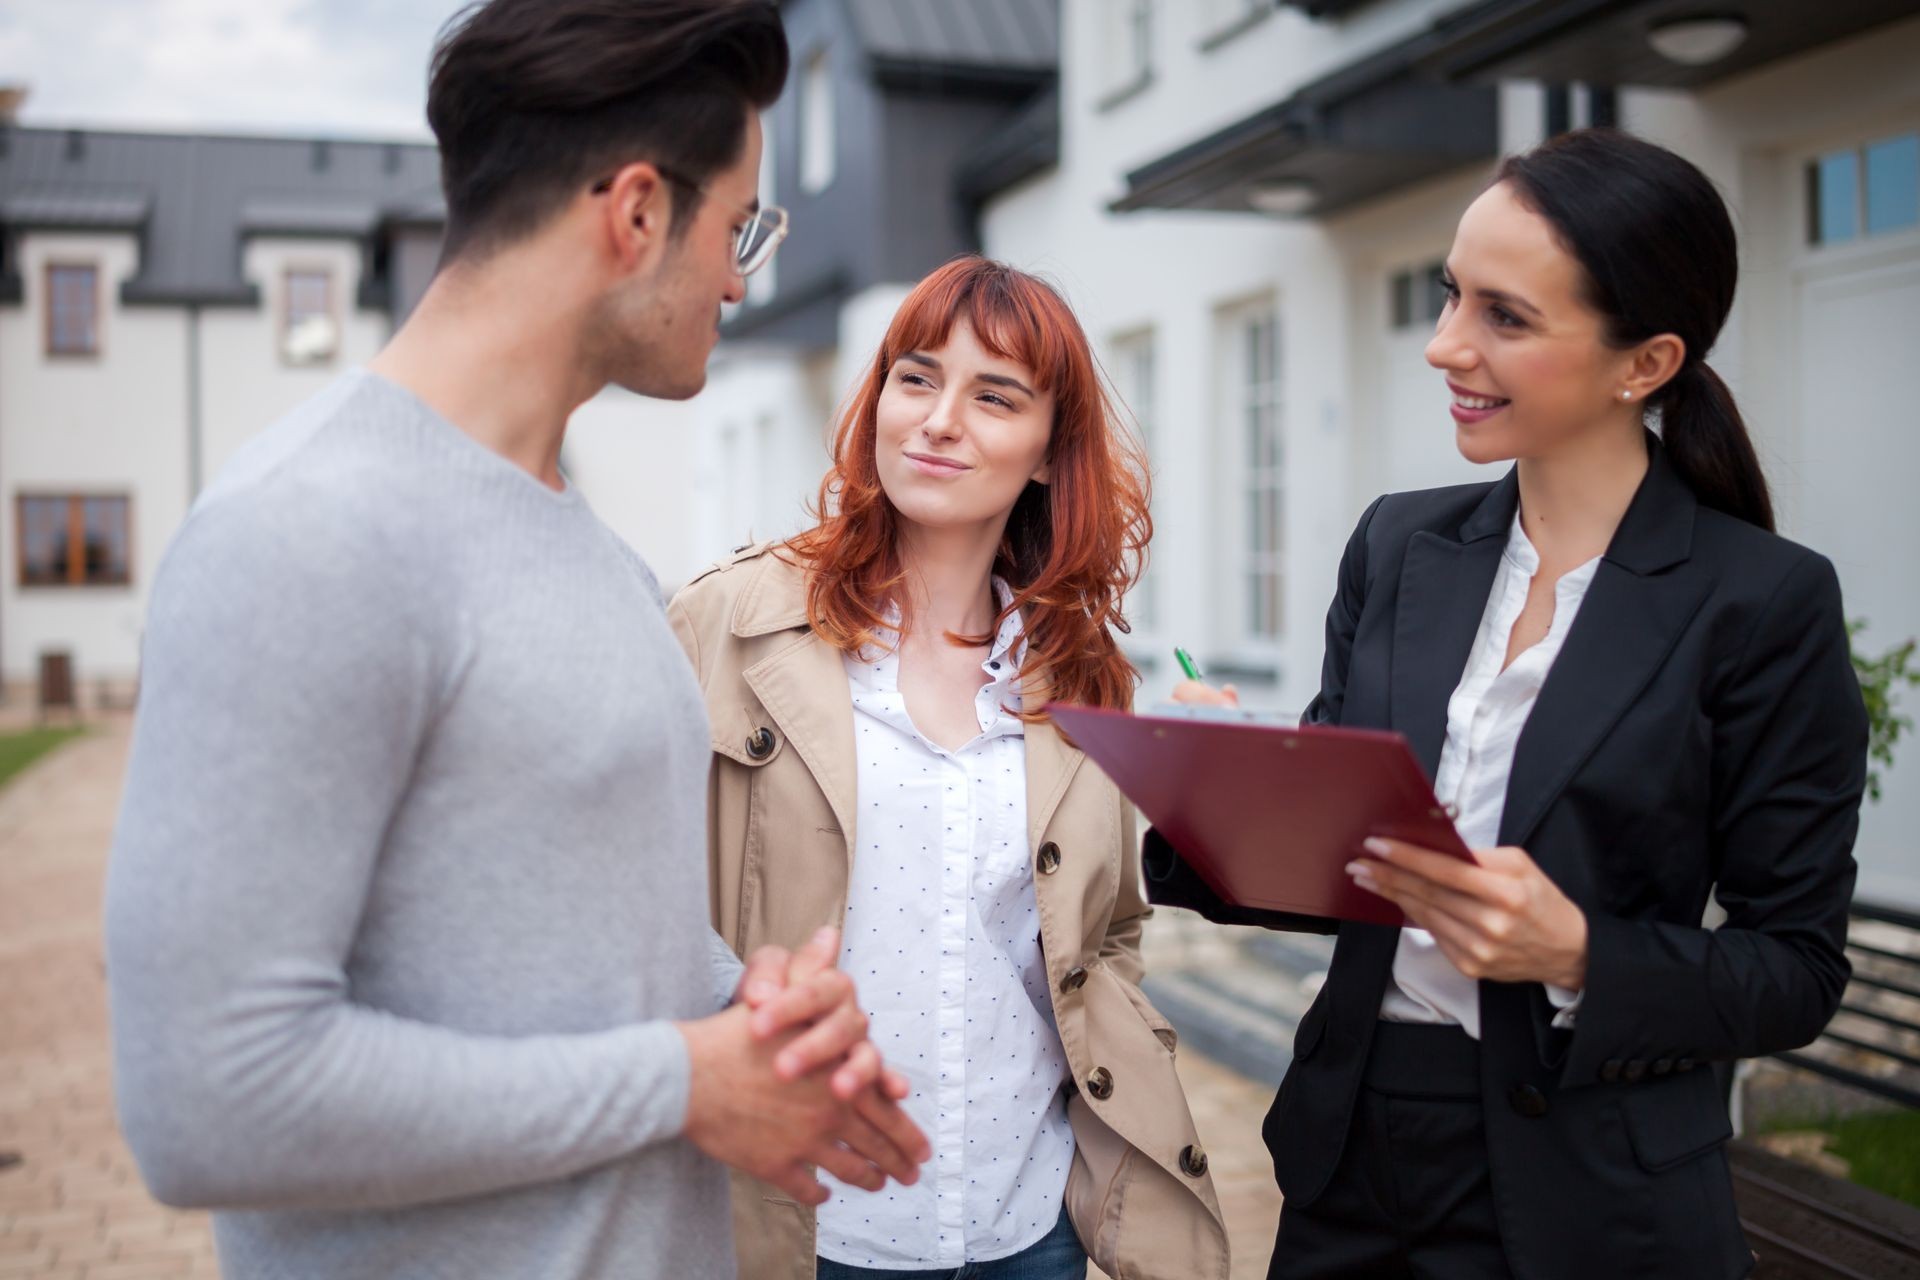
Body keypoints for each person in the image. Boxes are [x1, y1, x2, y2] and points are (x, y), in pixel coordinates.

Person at [103, 3, 928, 1277]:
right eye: (739, 228)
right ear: (637, 212)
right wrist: (684, 1080)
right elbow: (208, 1096)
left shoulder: (600, 559)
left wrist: (748, 1017)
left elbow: (596, 957)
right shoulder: (303, 532)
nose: (741, 279)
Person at [1150, 128, 1868, 1279]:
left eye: (1505, 316)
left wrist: (1578, 951)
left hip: (1598, 1185)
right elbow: (1348, 866)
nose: (1444, 346)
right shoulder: (1398, 544)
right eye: (1450, 297)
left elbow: (1797, 970)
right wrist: (1219, 780)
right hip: (1357, 1151)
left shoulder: (1763, 601)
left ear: (1646, 362)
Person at [669, 256, 1231, 1280]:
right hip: (801, 1222)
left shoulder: (1084, 675)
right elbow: (637, 902)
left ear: (1052, 454)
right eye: (916, 377)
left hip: (1024, 1220)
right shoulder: (725, 626)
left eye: (994, 395)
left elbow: (1104, 937)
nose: (937, 419)